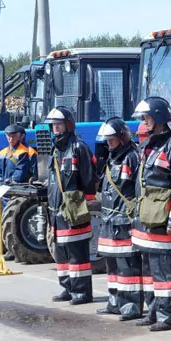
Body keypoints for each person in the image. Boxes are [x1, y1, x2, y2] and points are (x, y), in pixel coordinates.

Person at [131, 97, 171, 332]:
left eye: (147, 118)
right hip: (147, 219)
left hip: (164, 220)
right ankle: (153, 311)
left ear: (158, 118)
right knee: (149, 268)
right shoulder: (151, 145)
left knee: (165, 269)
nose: (144, 122)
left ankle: (169, 317)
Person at [95, 117, 149, 321]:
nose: (108, 143)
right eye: (106, 140)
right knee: (112, 265)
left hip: (124, 221)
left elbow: (137, 189)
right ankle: (115, 302)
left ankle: (131, 306)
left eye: (112, 140)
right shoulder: (113, 157)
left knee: (128, 265)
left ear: (122, 137)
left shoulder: (132, 157)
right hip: (109, 219)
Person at [45, 106, 98, 305]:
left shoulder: (79, 147)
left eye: (58, 125)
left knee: (77, 253)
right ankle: (67, 287)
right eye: (53, 126)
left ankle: (81, 292)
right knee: (61, 253)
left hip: (73, 211)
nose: (55, 129)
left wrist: (83, 204)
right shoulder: (55, 149)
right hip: (56, 211)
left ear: (68, 125)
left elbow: (89, 177)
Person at [0, 123, 37, 261]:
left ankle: (15, 250)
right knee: (5, 220)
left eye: (13, 135)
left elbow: (20, 172)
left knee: (14, 221)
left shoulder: (24, 152)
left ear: (21, 136)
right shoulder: (3, 152)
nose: (10, 138)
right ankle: (9, 247)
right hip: (5, 190)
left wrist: (11, 181)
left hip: (18, 191)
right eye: (8, 136)